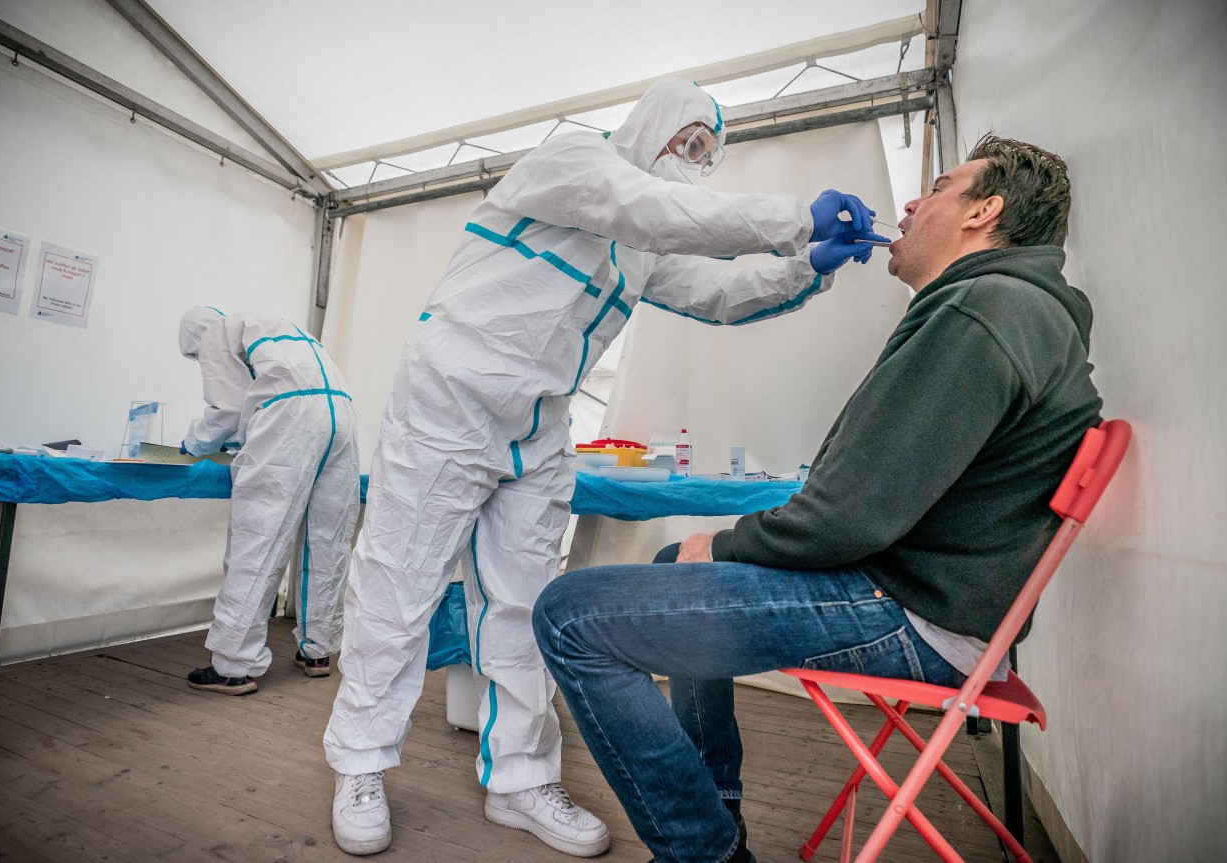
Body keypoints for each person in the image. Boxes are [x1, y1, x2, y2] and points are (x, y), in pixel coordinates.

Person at [322, 77, 888, 858]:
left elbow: (719, 293)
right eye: (686, 142)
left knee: (524, 600)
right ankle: (359, 761)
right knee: (400, 579)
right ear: (648, 126)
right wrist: (796, 220)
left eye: (706, 154)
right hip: (450, 396)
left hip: (539, 421)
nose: (694, 163)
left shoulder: (642, 249)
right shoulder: (572, 164)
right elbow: (650, 208)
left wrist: (807, 267)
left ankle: (520, 778)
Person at [533, 134, 1103, 863]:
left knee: (570, 615)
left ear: (983, 212)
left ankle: (702, 850)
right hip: (948, 604)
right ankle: (717, 805)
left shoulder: (980, 313)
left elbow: (848, 517)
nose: (910, 201)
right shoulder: (1013, 308)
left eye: (939, 185)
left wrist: (733, 541)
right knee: (679, 556)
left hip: (916, 617)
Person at [178, 306, 359, 695]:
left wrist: (192, 444)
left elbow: (226, 409)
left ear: (195, 340)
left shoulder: (214, 333)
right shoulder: (273, 328)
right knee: (328, 540)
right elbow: (258, 399)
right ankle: (318, 650)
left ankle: (233, 665)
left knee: (258, 539)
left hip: (293, 418)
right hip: (341, 413)